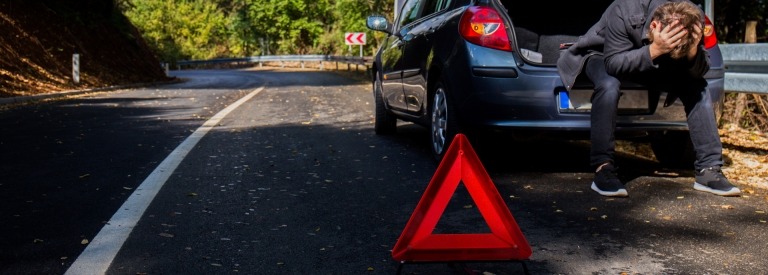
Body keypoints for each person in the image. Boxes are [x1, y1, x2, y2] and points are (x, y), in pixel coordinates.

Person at [557, 0, 740, 197]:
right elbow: (613, 64)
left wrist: (692, 51)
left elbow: (699, 71)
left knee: (697, 87)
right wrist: (655, 50)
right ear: (654, 26)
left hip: (655, 53)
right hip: (603, 54)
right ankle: (604, 168)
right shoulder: (624, 9)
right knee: (609, 85)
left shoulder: (690, 16)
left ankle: (709, 170)